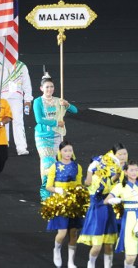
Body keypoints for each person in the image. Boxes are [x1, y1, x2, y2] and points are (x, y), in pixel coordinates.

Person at [78, 145, 127, 268]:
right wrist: (90, 170)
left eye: (124, 153)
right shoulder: (94, 179)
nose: (123, 156)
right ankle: (91, 263)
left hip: (109, 211)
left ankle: (107, 265)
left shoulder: (111, 175)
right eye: (120, 154)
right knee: (97, 245)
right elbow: (87, 183)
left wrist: (119, 170)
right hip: (97, 212)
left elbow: (114, 180)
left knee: (109, 243)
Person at [34, 72, 79, 200]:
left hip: (56, 136)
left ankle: (54, 189)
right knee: (47, 163)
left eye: (51, 87)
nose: (49, 89)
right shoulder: (38, 101)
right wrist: (56, 122)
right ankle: (45, 193)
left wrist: (67, 105)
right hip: (43, 136)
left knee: (55, 163)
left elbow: (75, 111)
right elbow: (39, 120)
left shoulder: (58, 100)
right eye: (47, 87)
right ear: (41, 88)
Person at [46, 140, 84, 268]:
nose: (68, 153)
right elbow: (48, 186)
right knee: (62, 233)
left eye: (70, 150)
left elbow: (79, 183)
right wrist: (57, 190)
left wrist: (79, 191)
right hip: (61, 203)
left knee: (73, 234)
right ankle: (56, 250)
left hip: (73, 203)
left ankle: (70, 262)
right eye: (65, 150)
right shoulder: (54, 167)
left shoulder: (77, 166)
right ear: (60, 152)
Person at [104, 161, 138, 268]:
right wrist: (112, 200)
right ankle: (128, 265)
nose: (134, 172)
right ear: (126, 172)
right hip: (129, 221)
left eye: (136, 170)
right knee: (131, 257)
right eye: (131, 170)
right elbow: (105, 201)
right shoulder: (120, 187)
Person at [0, 59, 33, 155]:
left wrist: (27, 100)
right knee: (3, 121)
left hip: (16, 98)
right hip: (2, 98)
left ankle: (21, 147)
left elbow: (27, 84)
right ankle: (3, 144)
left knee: (18, 122)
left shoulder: (21, 66)